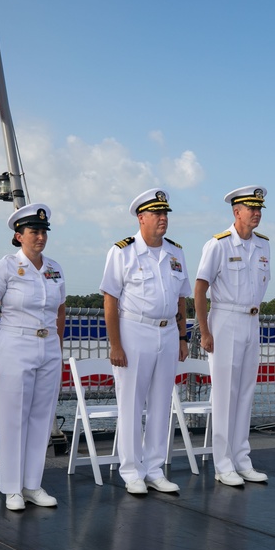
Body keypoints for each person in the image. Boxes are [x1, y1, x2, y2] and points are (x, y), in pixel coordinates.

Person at [100, 188, 191, 495]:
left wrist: (182, 336)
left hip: (167, 333)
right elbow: (110, 301)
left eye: (165, 214)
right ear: (141, 218)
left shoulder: (175, 252)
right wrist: (115, 344)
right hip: (134, 330)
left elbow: (181, 300)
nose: (163, 219)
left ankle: (154, 468)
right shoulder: (122, 251)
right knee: (131, 403)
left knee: (161, 403)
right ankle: (131, 470)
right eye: (157, 214)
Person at [0, 204, 66, 511]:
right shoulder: (5, 267)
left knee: (42, 417)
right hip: (14, 345)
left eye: (43, 232)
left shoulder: (54, 268)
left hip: (48, 347)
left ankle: (33, 484)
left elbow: (61, 309)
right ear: (19, 236)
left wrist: (58, 345)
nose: (40, 237)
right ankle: (13, 488)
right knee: (13, 418)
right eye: (33, 232)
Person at [194, 186, 271, 487]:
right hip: (225, 319)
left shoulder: (264, 246)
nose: (257, 213)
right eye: (251, 208)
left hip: (252, 320)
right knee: (225, 394)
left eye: (259, 208)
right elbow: (200, 288)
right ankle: (223, 463)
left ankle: (242, 458)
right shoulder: (219, 245)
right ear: (236, 212)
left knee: (245, 393)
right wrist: (205, 330)